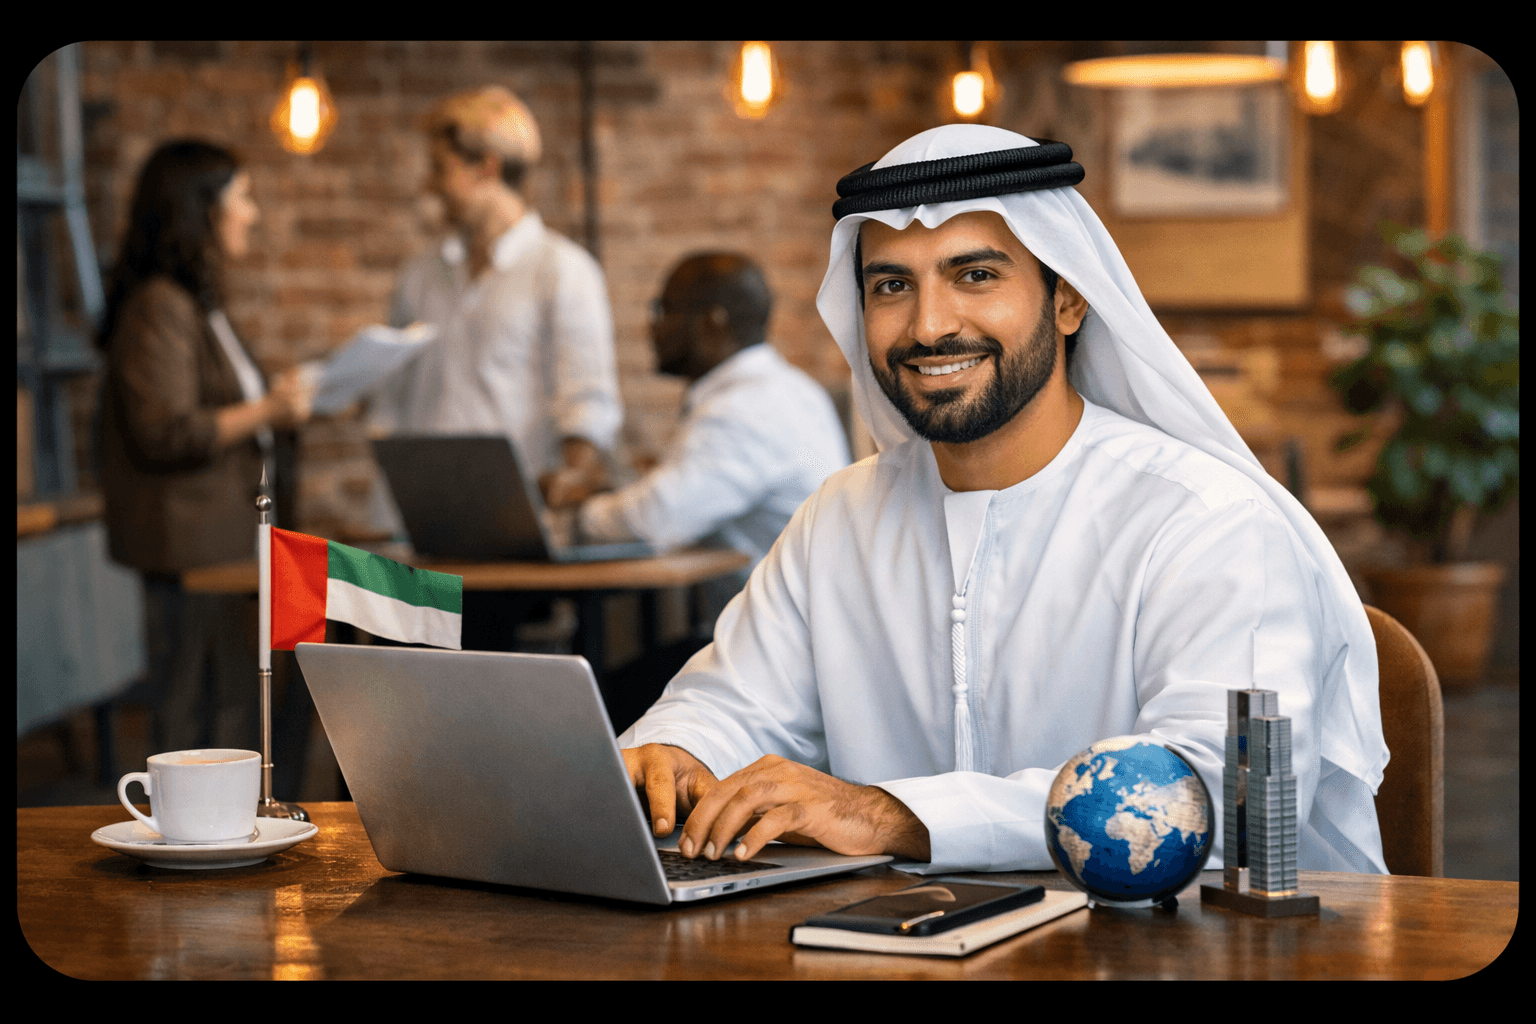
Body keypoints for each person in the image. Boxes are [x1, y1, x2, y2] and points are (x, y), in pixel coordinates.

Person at [619, 125, 1389, 877]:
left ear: (1069, 301)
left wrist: (891, 815)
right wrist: (680, 750)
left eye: (976, 276)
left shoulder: (1204, 521)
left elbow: (1219, 802)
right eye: (892, 286)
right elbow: (729, 702)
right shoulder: (840, 518)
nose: (928, 325)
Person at [568, 253, 850, 730]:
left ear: (711, 323)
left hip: (786, 661)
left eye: (664, 310)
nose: (651, 327)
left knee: (594, 699)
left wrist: (576, 514)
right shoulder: (787, 390)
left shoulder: (745, 408)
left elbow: (655, 519)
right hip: (796, 637)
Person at [97, 139, 314, 753]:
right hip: (190, 551)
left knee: (232, 703)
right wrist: (269, 409)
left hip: (223, 546)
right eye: (242, 197)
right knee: (193, 708)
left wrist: (279, 403)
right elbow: (166, 430)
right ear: (202, 209)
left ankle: (232, 829)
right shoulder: (160, 305)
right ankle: (187, 837)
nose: (253, 213)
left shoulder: (198, 304)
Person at [369, 84, 621, 512]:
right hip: (419, 517)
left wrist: (572, 479)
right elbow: (391, 404)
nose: (430, 184)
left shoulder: (563, 270)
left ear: (486, 168)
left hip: (512, 514)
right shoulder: (420, 276)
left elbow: (588, 403)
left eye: (439, 168)